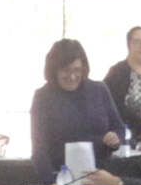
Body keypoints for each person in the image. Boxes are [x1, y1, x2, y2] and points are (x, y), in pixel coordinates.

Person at [28, 37, 125, 172]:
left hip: (101, 173)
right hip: (62, 174)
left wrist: (115, 138)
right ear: (54, 70)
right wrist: (50, 181)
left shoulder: (99, 89)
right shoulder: (42, 97)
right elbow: (39, 148)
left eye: (77, 70)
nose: (72, 76)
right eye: (66, 71)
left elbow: (119, 128)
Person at [100, 25, 141, 133]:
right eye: (137, 42)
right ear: (129, 45)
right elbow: (113, 109)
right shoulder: (118, 72)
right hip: (127, 135)